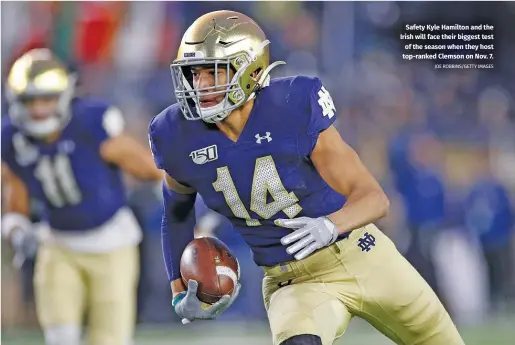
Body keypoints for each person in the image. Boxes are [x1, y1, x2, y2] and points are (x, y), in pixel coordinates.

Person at [148, 10, 465, 345]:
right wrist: (179, 289)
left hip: (362, 253)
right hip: (293, 282)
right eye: (194, 74)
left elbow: (374, 198)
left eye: (213, 73)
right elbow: (177, 212)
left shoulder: (291, 105)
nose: (200, 86)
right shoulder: (175, 134)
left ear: (250, 70)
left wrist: (330, 224)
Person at [1, 48, 162, 345]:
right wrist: (17, 230)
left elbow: (147, 167)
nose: (38, 109)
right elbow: (15, 197)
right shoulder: (13, 140)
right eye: (30, 100)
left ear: (64, 97)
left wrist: (178, 194)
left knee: (109, 339)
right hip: (58, 243)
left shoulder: (88, 124)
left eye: (46, 99)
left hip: (111, 242)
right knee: (60, 337)